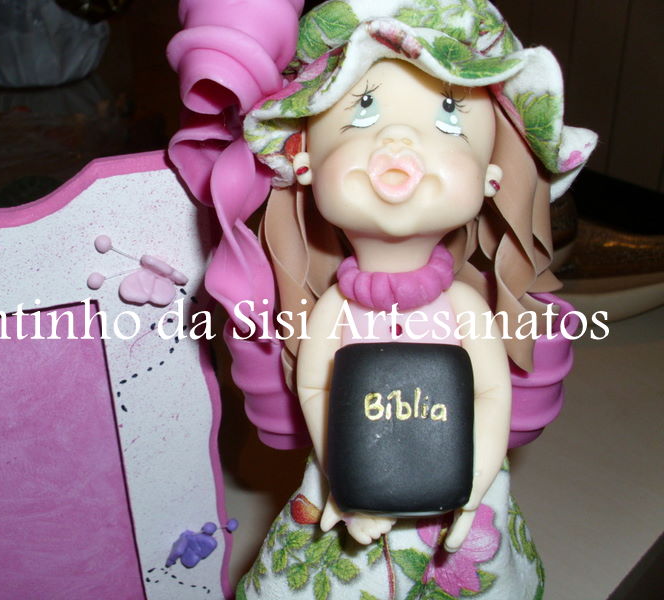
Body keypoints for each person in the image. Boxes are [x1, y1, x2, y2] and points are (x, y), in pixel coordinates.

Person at [168, 1, 595, 597]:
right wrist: (346, 480)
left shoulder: (464, 309)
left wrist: (472, 486)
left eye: (450, 117)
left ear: (490, 180)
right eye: (362, 109)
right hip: (349, 494)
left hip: (459, 500)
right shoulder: (334, 313)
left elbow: (491, 392)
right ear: (303, 162)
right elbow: (316, 391)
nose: (400, 140)